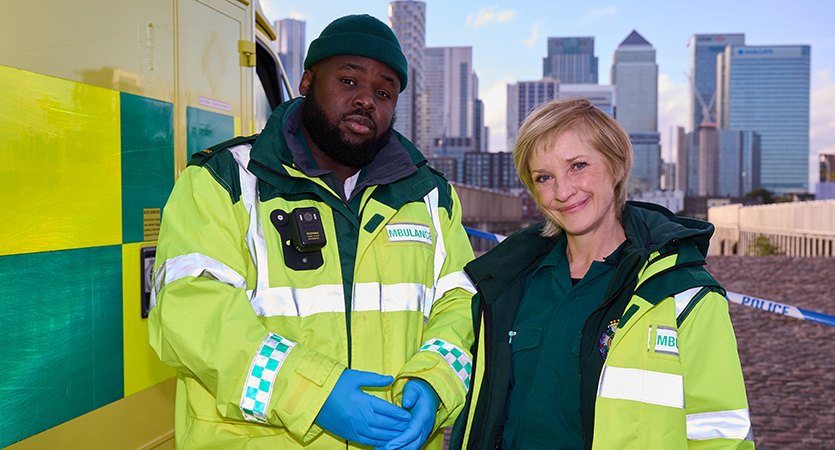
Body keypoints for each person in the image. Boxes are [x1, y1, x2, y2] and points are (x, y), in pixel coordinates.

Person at [149, 14, 476, 450]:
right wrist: (312, 393)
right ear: (306, 81)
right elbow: (189, 312)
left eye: (383, 92)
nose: (366, 100)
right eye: (348, 80)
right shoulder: (226, 180)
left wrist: (434, 383)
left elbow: (464, 305)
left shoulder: (431, 197)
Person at [450, 98, 754, 449]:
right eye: (544, 177)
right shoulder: (505, 284)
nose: (563, 192)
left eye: (578, 165)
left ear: (617, 165)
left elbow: (722, 434)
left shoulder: (683, 294)